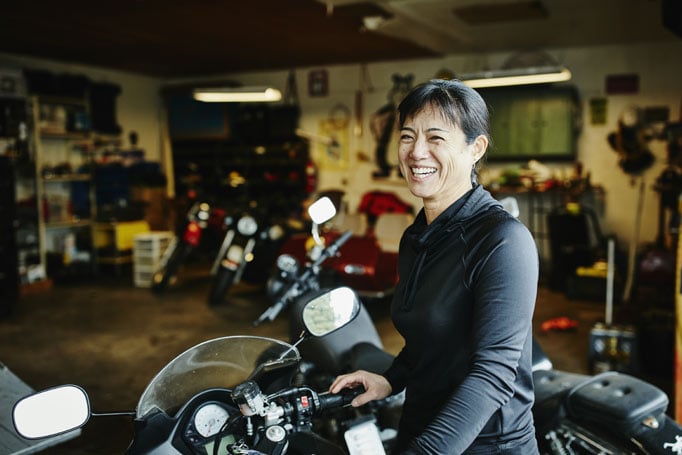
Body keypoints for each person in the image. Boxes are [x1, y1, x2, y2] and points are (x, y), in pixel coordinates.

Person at [329, 79, 539, 454]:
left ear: (476, 148)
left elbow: (493, 374)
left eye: (436, 138)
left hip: (486, 444)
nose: (416, 152)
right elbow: (429, 340)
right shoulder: (418, 236)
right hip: (422, 428)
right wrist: (390, 380)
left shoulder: (503, 241)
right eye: (407, 136)